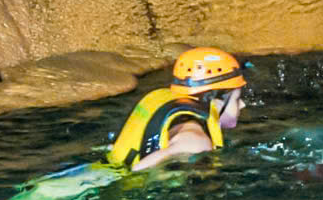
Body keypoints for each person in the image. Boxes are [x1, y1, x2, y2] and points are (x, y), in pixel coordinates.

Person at [104, 45, 250, 171]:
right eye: (236, 99)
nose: (242, 104)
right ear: (216, 100)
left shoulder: (176, 113)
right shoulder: (197, 142)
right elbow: (138, 168)